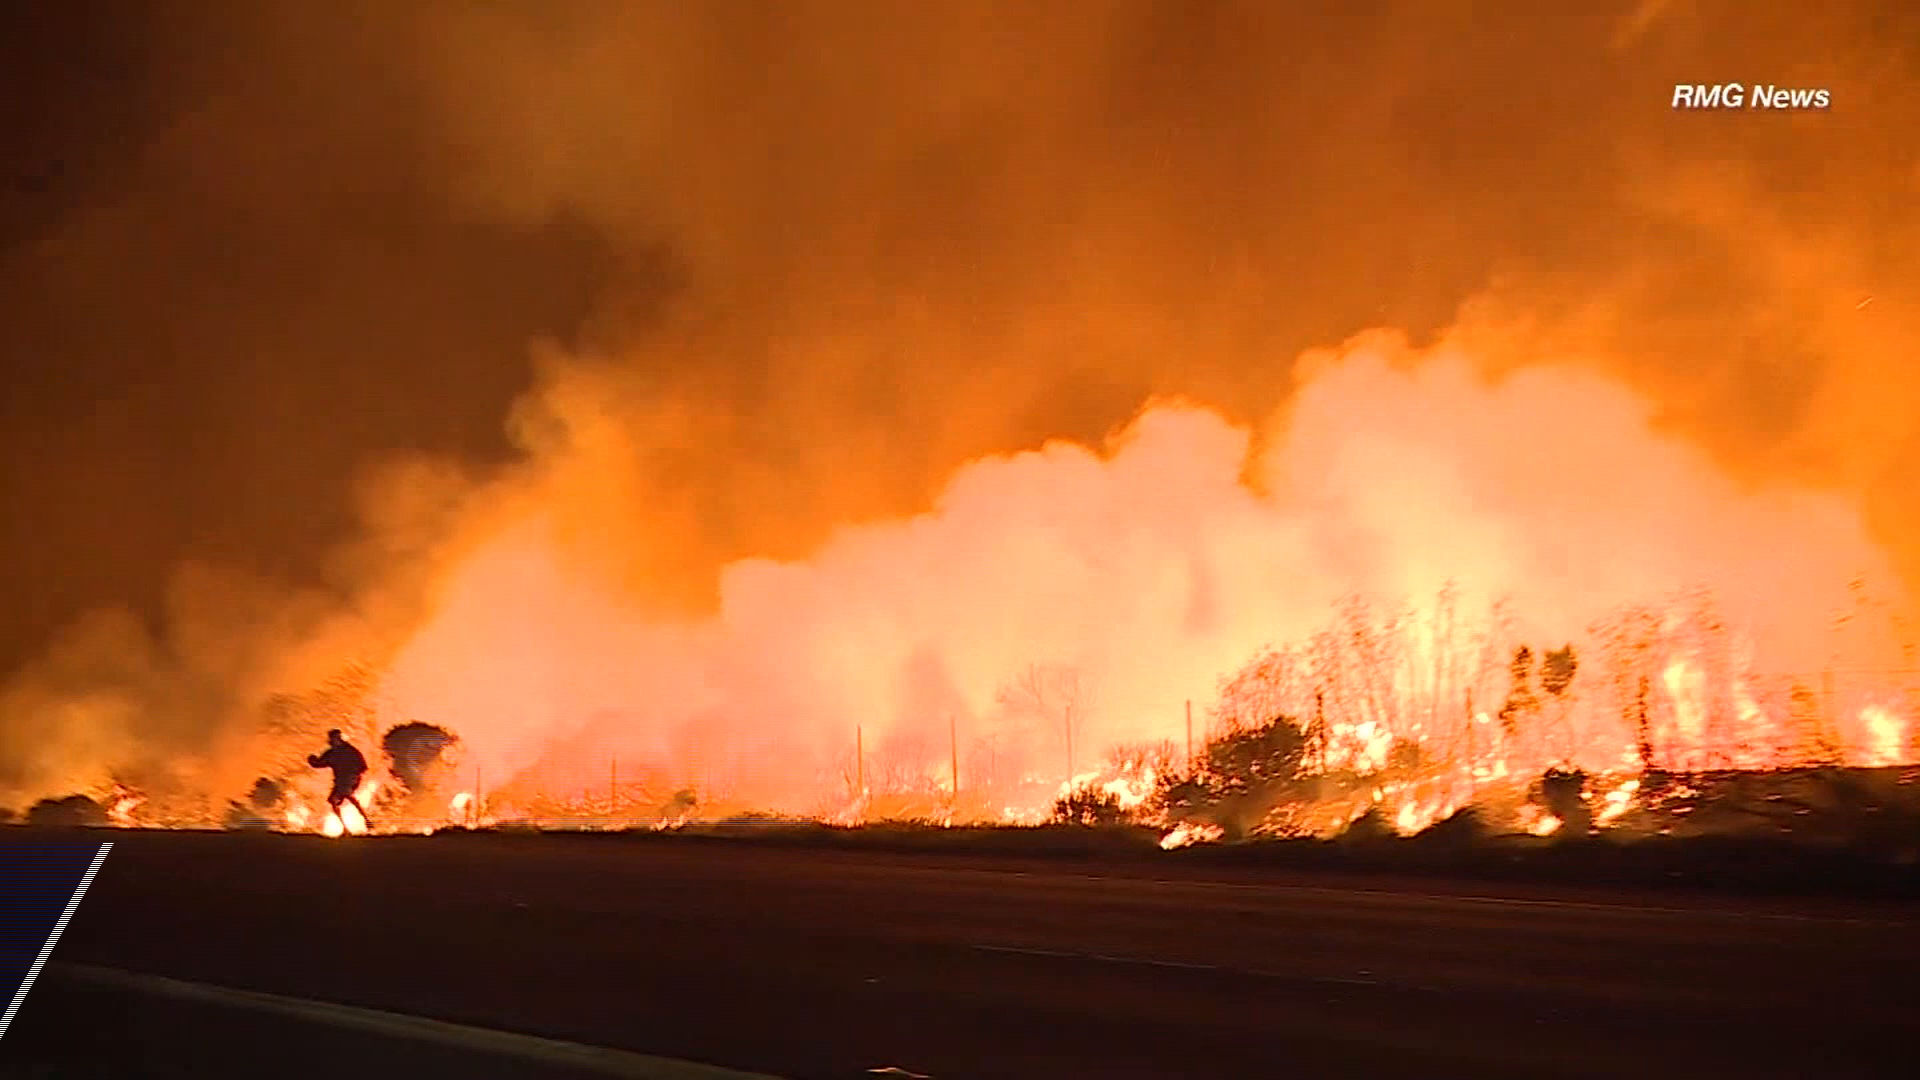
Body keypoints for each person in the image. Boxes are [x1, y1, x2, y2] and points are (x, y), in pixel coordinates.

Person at [308, 729, 372, 829]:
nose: (334, 740)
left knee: (347, 796)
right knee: (334, 800)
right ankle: (353, 825)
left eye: (336, 737)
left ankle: (366, 821)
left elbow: (362, 764)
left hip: (350, 778)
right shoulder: (332, 752)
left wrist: (357, 773)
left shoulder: (348, 750)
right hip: (341, 780)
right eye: (333, 738)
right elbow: (321, 762)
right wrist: (313, 761)